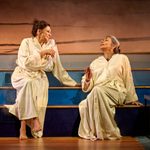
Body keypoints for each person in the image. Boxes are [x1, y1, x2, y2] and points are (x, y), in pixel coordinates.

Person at [5, 19, 77, 140]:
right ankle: (34, 119)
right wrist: (41, 53)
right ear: (39, 31)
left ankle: (23, 127)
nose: (50, 34)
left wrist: (72, 83)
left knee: (29, 85)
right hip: (22, 74)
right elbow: (24, 63)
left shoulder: (51, 43)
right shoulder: (26, 42)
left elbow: (56, 66)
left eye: (50, 32)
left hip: (38, 76)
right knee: (28, 82)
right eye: (48, 31)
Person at [78, 35, 142, 141]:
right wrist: (88, 79)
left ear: (113, 45)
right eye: (102, 40)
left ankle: (108, 131)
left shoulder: (122, 58)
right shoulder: (95, 62)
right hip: (98, 92)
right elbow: (86, 87)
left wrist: (132, 99)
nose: (102, 41)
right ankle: (101, 131)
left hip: (117, 91)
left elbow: (128, 78)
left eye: (106, 40)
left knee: (96, 92)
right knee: (92, 96)